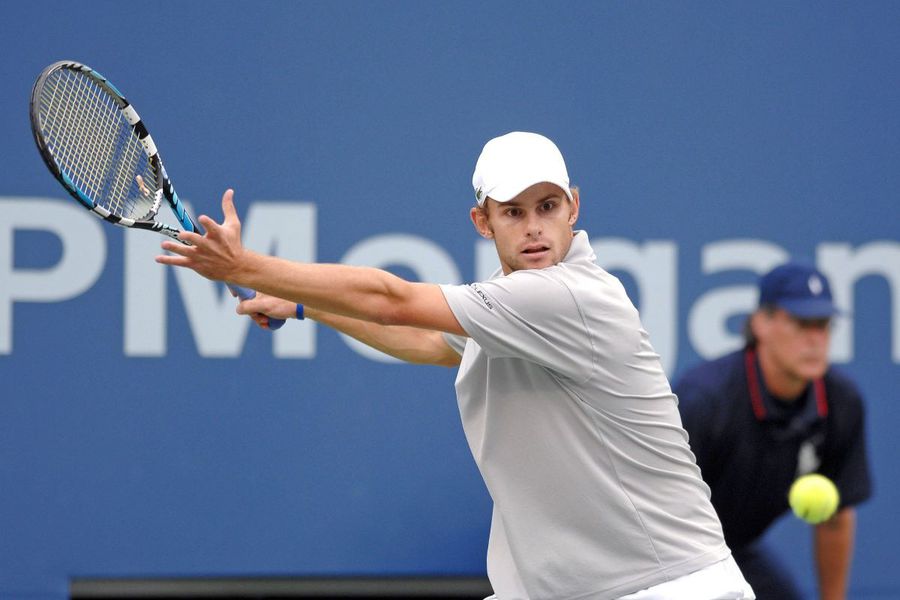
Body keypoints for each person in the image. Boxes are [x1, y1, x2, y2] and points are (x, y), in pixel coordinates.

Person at [156, 131, 753, 599]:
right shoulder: (509, 306)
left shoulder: (569, 296)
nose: (534, 227)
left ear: (574, 207)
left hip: (670, 587)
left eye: (547, 206)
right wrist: (304, 304)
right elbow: (427, 340)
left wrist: (244, 266)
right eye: (513, 212)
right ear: (482, 221)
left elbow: (392, 301)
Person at [673, 263, 873, 600]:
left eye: (823, 324)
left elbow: (835, 519)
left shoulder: (842, 401)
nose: (815, 339)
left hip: (735, 547)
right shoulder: (705, 400)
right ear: (760, 324)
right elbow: (653, 505)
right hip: (669, 551)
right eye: (801, 323)